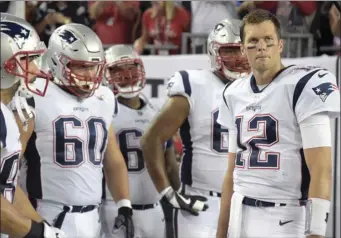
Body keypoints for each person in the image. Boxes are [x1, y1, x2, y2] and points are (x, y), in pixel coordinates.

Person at [216, 9, 340, 238]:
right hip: (239, 213)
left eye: (268, 40)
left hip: (285, 217)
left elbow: (322, 169)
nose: (261, 46)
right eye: (253, 41)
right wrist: (220, 232)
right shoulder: (232, 93)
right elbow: (231, 172)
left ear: (280, 45)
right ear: (243, 49)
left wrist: (316, 232)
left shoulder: (304, 84)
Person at [19, 23, 134, 238]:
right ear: (55, 61)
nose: (89, 74)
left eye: (94, 66)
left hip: (93, 216)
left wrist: (124, 205)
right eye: (80, 66)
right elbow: (8, 170)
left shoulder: (104, 98)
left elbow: (112, 157)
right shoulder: (34, 97)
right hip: (47, 212)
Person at [141, 18, 251, 238]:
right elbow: (151, 139)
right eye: (230, 51)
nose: (239, 58)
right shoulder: (194, 84)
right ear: (214, 52)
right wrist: (168, 193)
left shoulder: (263, 87)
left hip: (247, 203)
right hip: (204, 201)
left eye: (244, 50)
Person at [100, 44, 180, 238]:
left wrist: (180, 197)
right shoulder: (103, 110)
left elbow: (170, 164)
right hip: (115, 207)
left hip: (154, 208)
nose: (127, 75)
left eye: (131, 67)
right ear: (106, 74)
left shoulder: (156, 111)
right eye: (118, 69)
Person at [0, 13, 66, 238]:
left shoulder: (9, 112)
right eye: (27, 59)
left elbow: (6, 188)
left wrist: (46, 228)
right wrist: (36, 232)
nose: (37, 69)